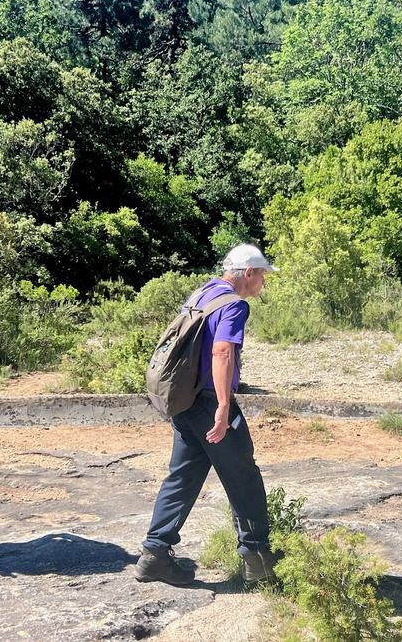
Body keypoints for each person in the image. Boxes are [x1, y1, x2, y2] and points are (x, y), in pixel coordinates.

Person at [135, 244, 279, 585]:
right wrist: (223, 408)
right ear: (248, 273)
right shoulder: (234, 305)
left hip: (185, 400)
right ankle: (257, 561)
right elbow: (221, 350)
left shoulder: (204, 292)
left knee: (182, 477)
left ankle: (154, 556)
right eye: (263, 275)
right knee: (244, 477)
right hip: (210, 402)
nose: (264, 283)